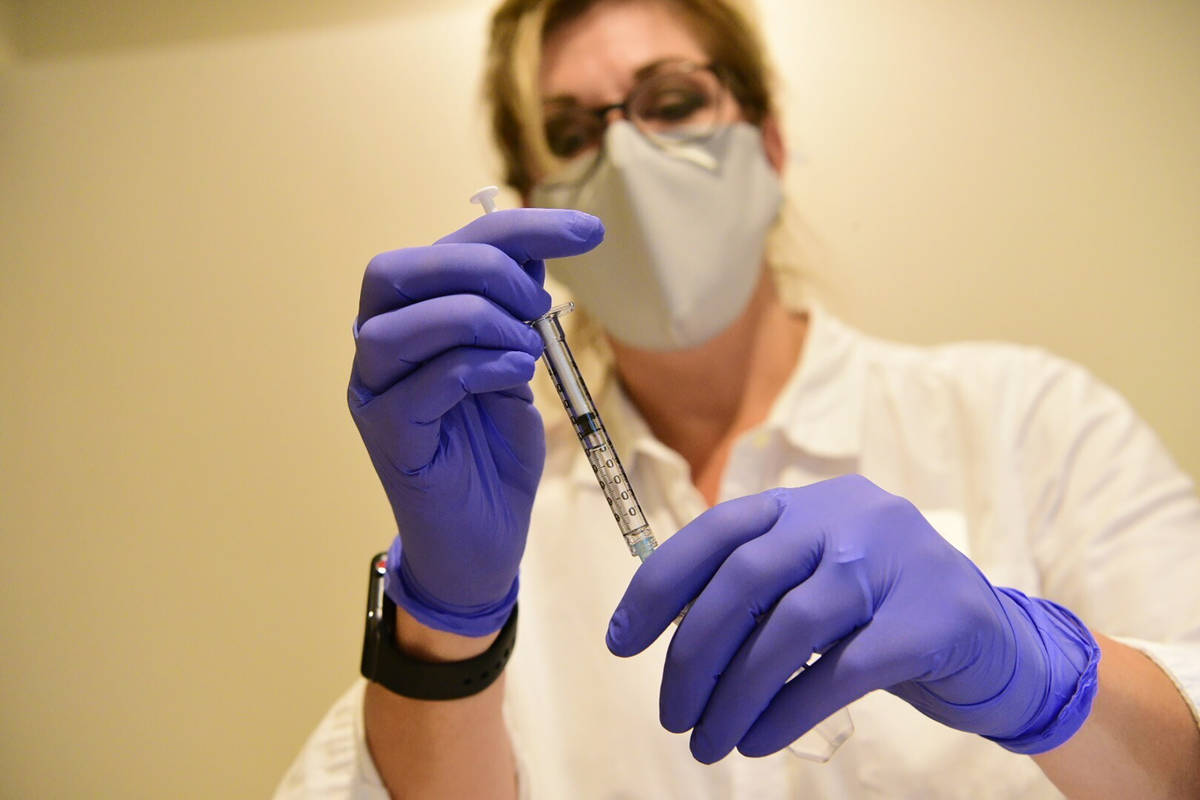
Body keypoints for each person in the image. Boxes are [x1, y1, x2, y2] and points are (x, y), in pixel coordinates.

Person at [276, 0, 1200, 797]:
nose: (628, 156)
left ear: (769, 140)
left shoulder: (1030, 422)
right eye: (573, 132)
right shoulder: (509, 527)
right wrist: (443, 622)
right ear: (529, 205)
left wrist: (1041, 676)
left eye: (673, 102)